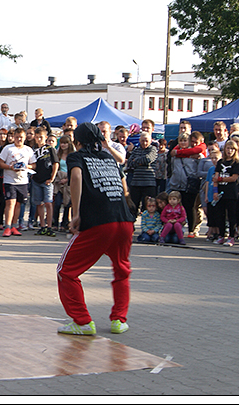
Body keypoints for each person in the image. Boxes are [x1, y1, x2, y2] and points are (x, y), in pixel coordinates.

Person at [55, 122, 135, 336]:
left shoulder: (77, 157)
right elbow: (124, 186)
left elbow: (76, 177)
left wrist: (76, 213)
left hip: (100, 221)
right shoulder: (109, 158)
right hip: (124, 220)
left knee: (66, 271)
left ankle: (82, 322)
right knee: (121, 269)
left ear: (77, 142)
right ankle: (119, 320)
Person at [0, 127, 36, 237]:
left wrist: (25, 166)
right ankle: (7, 227)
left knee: (19, 204)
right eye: (17, 137)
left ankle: (14, 226)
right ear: (13, 137)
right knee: (10, 203)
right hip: (9, 181)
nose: (19, 139)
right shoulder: (8, 148)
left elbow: (33, 165)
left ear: (25, 138)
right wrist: (10, 167)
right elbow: (0, 162)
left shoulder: (28, 150)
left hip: (23, 181)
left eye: (21, 137)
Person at [212, 140, 239, 247]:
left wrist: (221, 179)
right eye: (228, 148)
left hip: (231, 193)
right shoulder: (220, 162)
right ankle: (221, 235)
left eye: (232, 149)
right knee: (220, 215)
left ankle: (232, 236)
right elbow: (215, 178)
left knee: (231, 215)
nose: (229, 151)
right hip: (220, 192)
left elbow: (233, 178)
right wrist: (215, 191)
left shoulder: (236, 163)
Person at [31, 128, 59, 236]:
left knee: (48, 202)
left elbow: (55, 163)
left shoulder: (49, 149)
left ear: (46, 138)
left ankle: (49, 226)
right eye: (37, 137)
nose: (39, 139)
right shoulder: (33, 150)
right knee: (39, 203)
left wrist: (52, 177)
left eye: (41, 137)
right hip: (36, 179)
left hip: (47, 180)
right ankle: (42, 226)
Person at [126, 132, 158, 213]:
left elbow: (148, 159)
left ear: (150, 141)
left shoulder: (153, 149)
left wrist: (136, 160)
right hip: (136, 182)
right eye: (143, 140)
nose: (144, 143)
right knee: (133, 207)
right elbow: (129, 163)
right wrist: (140, 162)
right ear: (139, 140)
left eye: (146, 141)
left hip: (149, 183)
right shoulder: (136, 150)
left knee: (149, 208)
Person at [53, 135, 74, 233]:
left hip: (68, 180)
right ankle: (55, 223)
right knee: (57, 203)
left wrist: (67, 179)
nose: (63, 145)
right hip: (59, 180)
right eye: (61, 143)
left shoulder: (73, 155)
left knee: (67, 204)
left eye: (65, 143)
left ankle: (64, 223)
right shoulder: (58, 154)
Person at [203, 148, 222, 241]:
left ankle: (218, 233)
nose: (214, 160)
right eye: (212, 158)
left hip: (217, 195)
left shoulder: (221, 169)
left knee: (217, 215)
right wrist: (206, 195)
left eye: (216, 158)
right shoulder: (211, 169)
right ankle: (213, 232)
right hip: (210, 195)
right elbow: (207, 182)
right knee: (211, 215)